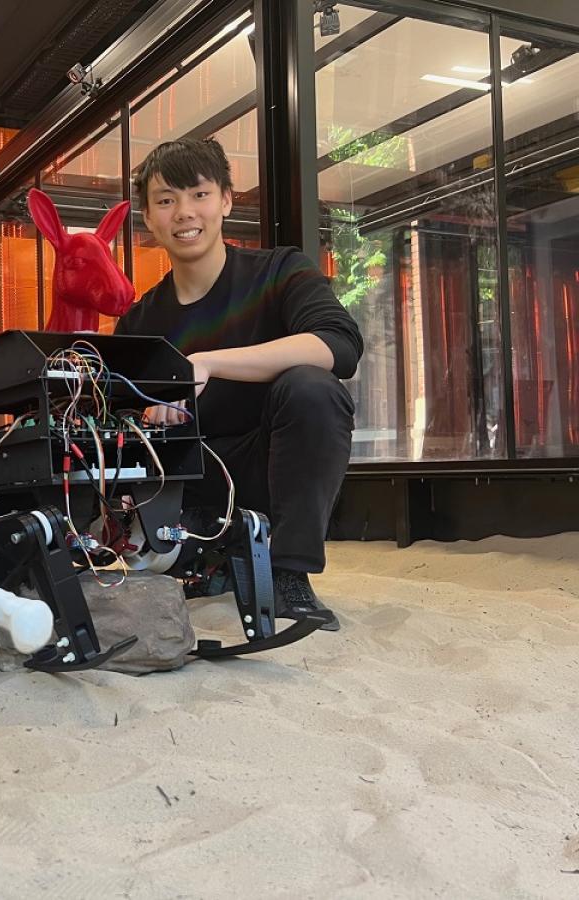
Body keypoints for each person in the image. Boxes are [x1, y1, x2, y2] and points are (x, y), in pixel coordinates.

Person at [115, 137, 363, 630]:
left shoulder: (279, 272)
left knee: (313, 388)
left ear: (226, 200)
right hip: (189, 485)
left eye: (200, 195)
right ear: (148, 217)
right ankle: (209, 558)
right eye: (166, 200)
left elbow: (339, 345)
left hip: (271, 469)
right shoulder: (138, 322)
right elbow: (120, 427)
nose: (185, 213)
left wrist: (207, 362)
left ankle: (290, 575)